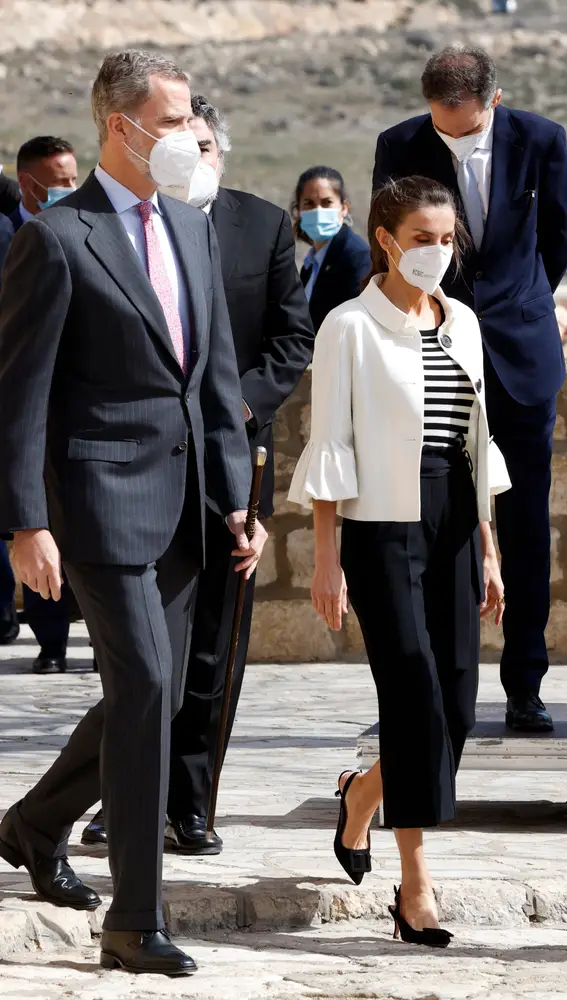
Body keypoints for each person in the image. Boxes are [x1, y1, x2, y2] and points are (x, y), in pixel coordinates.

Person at [0, 49, 267, 977]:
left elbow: (216, 379)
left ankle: (33, 825)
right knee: (149, 689)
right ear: (120, 126)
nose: (192, 136)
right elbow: (20, 394)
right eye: (174, 120)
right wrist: (24, 523)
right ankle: (134, 921)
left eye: (195, 119)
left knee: (140, 694)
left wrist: (237, 497)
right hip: (99, 503)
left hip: (191, 504)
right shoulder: (59, 238)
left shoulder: (192, 230)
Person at [81, 93, 315, 854]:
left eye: (205, 144)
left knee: (214, 643)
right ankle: (120, 802)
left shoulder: (260, 225)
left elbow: (289, 339)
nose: (194, 155)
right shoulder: (117, 231)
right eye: (183, 138)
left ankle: (191, 802)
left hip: (231, 458)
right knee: (140, 651)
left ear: (223, 152)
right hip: (135, 469)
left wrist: (232, 407)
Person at [289, 176, 509, 945]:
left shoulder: (465, 323)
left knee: (451, 707)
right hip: (381, 526)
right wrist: (325, 557)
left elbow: (475, 445)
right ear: (383, 237)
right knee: (413, 697)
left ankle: (361, 796)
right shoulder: (349, 327)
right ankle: (414, 888)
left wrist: (487, 547)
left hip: (453, 517)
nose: (436, 253)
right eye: (421, 238)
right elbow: (332, 443)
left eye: (446, 240)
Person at [372, 45, 567, 733]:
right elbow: (388, 246)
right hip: (430, 352)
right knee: (435, 513)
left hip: (520, 353)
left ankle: (524, 685)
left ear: (494, 99)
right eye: (440, 126)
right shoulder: (397, 145)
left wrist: (515, 300)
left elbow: (555, 239)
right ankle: (434, 683)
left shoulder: (543, 141)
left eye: (464, 128)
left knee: (521, 523)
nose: (450, 139)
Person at [0, 136, 79, 669]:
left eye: (75, 177)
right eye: (60, 179)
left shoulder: (84, 229)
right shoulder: (7, 234)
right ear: (30, 183)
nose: (70, 188)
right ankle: (47, 642)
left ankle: (79, 640)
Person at [293, 166, 370, 332]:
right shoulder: (311, 263)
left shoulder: (356, 257)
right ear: (298, 211)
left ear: (344, 208)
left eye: (327, 203)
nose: (318, 211)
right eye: (309, 204)